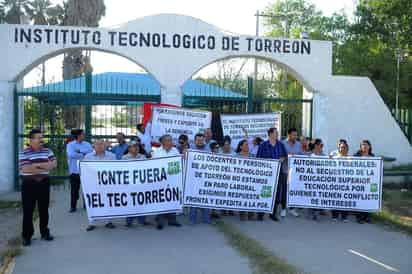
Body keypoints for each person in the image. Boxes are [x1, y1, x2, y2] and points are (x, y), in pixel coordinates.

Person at [19, 129, 57, 246]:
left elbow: (54, 165)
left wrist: (36, 165)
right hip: (29, 184)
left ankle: (45, 232)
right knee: (28, 211)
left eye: (42, 138)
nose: (41, 140)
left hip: (44, 183)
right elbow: (25, 169)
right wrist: (45, 166)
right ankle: (27, 236)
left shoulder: (48, 151)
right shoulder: (23, 152)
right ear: (31, 140)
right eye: (38, 138)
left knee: (44, 210)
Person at [84, 139, 117, 231]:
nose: (99, 146)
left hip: (107, 184)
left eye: (102, 144)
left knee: (108, 202)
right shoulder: (88, 156)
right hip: (93, 184)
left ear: (105, 145)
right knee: (93, 202)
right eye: (97, 144)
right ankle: (92, 223)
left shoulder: (111, 156)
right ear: (93, 146)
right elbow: (84, 170)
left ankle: (108, 221)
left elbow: (116, 169)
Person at [256, 127, 288, 222]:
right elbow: (258, 158)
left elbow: (285, 156)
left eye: (277, 133)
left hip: (278, 172)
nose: (277, 134)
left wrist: (282, 159)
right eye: (275, 133)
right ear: (270, 134)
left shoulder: (280, 145)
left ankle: (272, 214)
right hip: (266, 174)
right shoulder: (263, 145)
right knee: (264, 193)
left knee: (276, 194)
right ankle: (260, 214)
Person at [152, 134, 182, 230]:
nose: (171, 142)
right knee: (161, 200)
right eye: (168, 140)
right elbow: (153, 166)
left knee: (172, 199)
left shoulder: (175, 151)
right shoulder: (157, 152)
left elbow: (179, 164)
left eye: (171, 140)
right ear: (163, 142)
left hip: (173, 179)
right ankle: (160, 221)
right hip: (161, 180)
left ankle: (172, 220)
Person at [122, 140, 150, 227]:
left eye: (137, 146)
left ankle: (142, 220)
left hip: (141, 184)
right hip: (129, 184)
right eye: (134, 146)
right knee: (130, 202)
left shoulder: (143, 157)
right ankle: (129, 221)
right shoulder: (124, 158)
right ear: (129, 148)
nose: (136, 148)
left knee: (141, 201)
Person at [66, 129, 93, 213]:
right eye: (82, 134)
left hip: (85, 171)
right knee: (74, 191)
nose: (84, 135)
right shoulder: (70, 145)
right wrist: (84, 154)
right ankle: (73, 207)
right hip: (74, 171)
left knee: (86, 190)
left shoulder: (87, 144)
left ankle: (87, 206)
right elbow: (71, 154)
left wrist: (80, 151)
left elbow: (91, 154)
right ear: (78, 136)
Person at [189, 133, 211, 224]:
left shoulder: (208, 149)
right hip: (193, 179)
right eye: (198, 140)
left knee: (205, 198)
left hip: (205, 178)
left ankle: (206, 219)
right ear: (195, 141)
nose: (200, 142)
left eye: (201, 140)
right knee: (193, 199)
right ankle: (192, 219)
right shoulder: (190, 150)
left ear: (204, 140)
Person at [282, 128, 302, 218]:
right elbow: (280, 155)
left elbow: (301, 155)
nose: (295, 137)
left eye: (296, 135)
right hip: (285, 170)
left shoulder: (298, 144)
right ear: (288, 135)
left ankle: (292, 208)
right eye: (294, 135)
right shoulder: (282, 143)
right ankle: (283, 208)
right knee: (285, 190)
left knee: (293, 189)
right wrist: (287, 157)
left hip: (295, 171)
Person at [354, 140, 375, 224]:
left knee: (368, 198)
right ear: (360, 147)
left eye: (366, 145)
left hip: (369, 181)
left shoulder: (373, 157)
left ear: (369, 147)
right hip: (359, 181)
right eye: (363, 145)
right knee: (359, 199)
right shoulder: (356, 156)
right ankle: (359, 217)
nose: (364, 146)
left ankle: (367, 216)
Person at [331, 140, 350, 222]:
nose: (343, 149)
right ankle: (334, 215)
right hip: (336, 181)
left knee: (345, 199)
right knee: (335, 198)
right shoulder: (334, 158)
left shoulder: (350, 158)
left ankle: (344, 216)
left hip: (346, 181)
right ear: (338, 148)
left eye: (344, 147)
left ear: (347, 148)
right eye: (341, 147)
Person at [236, 139, 255, 221]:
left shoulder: (252, 156)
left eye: (248, 145)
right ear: (241, 147)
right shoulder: (236, 156)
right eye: (246, 145)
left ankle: (251, 214)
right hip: (240, 180)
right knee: (242, 197)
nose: (248, 146)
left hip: (250, 180)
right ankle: (242, 214)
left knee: (251, 197)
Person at [308, 138, 326, 220]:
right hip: (312, 179)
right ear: (316, 145)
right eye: (320, 145)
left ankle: (320, 209)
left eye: (322, 145)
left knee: (320, 194)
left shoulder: (323, 155)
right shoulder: (310, 155)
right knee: (313, 195)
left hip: (321, 179)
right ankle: (313, 212)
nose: (322, 147)